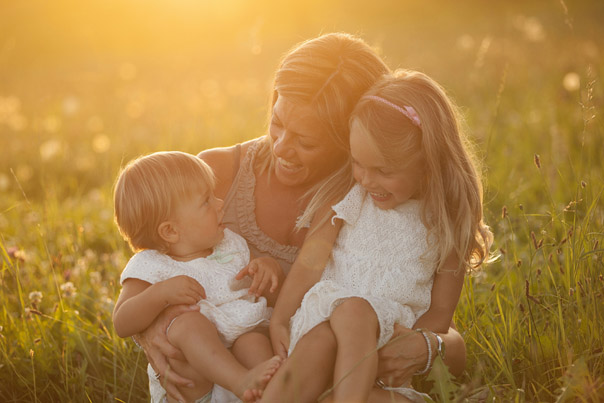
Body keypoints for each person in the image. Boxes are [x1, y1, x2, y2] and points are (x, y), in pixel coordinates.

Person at [135, 33, 469, 402]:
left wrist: (427, 348)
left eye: (305, 141)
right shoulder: (212, 177)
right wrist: (152, 326)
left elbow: (440, 331)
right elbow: (148, 264)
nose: (280, 147)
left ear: (352, 137)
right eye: (277, 122)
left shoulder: (368, 197)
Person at [264, 70, 494, 402]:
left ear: (428, 165)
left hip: (388, 340)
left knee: (356, 316)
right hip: (323, 324)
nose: (367, 180)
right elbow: (309, 265)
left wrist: (404, 351)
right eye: (358, 163)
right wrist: (280, 321)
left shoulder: (445, 224)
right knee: (338, 324)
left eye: (383, 171)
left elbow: (440, 314)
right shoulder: (348, 195)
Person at [112, 152, 284, 402]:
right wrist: (159, 294)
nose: (220, 202)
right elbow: (121, 322)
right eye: (206, 201)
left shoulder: (228, 244)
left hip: (241, 354)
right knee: (188, 324)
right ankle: (240, 381)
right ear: (170, 231)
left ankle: (268, 395)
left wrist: (268, 268)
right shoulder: (150, 265)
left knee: (254, 341)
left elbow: (263, 292)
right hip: (194, 384)